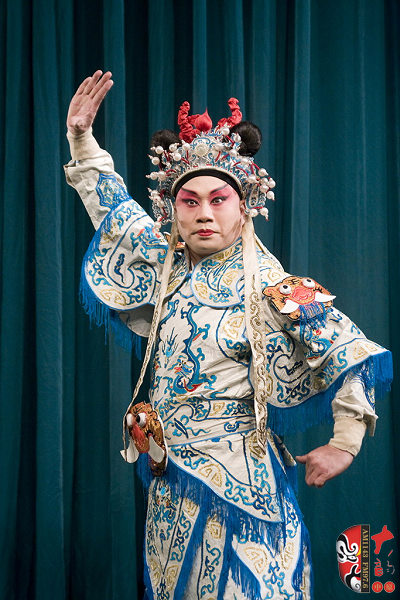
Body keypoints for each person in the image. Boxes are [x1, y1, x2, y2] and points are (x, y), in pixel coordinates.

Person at [65, 71, 392, 600]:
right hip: (171, 487)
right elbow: (113, 208)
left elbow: (347, 350)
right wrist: (81, 139)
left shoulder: (275, 285)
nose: (204, 214)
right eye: (189, 201)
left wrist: (345, 443)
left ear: (244, 209)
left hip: (246, 490)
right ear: (172, 210)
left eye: (218, 200)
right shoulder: (164, 269)